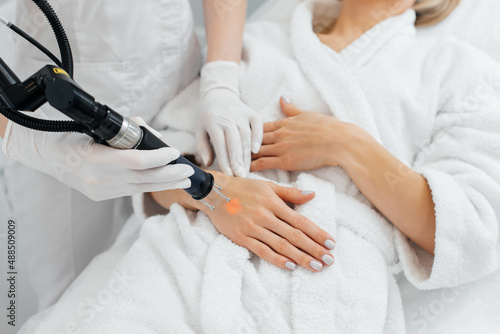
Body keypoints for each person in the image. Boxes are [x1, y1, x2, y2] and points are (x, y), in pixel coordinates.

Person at [67, 0, 500, 331]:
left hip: (329, 278)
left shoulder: (461, 71)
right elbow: (154, 177)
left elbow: (467, 231)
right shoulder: (256, 41)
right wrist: (216, 194)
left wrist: (346, 144)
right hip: (191, 254)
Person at [0, 0, 262, 310]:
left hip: (175, 83)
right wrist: (38, 147)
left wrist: (221, 80)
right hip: (46, 123)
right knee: (70, 303)